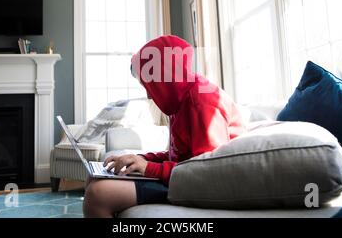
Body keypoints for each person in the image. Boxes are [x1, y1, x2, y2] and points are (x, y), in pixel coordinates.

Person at [83, 35, 246, 218]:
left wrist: (149, 168)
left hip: (203, 186)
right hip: (184, 176)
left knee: (98, 194)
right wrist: (139, 159)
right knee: (96, 176)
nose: (149, 95)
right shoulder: (180, 100)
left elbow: (206, 171)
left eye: (149, 86)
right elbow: (178, 156)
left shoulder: (202, 103)